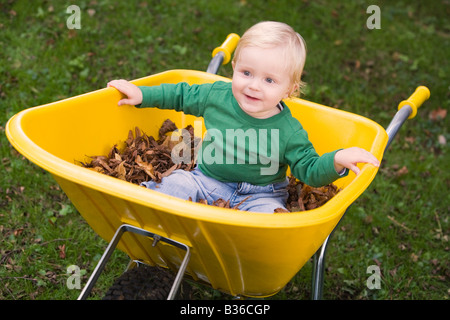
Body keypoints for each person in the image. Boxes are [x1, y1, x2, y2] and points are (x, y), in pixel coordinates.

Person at [107, 21, 380, 213]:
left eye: (269, 80)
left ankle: (245, 262)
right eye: (247, 73)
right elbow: (181, 95)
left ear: (290, 90)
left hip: (260, 195)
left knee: (270, 222)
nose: (253, 85)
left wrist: (336, 161)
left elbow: (308, 169)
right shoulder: (217, 95)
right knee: (175, 185)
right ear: (234, 67)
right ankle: (154, 233)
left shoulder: (289, 131)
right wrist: (143, 95)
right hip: (206, 179)